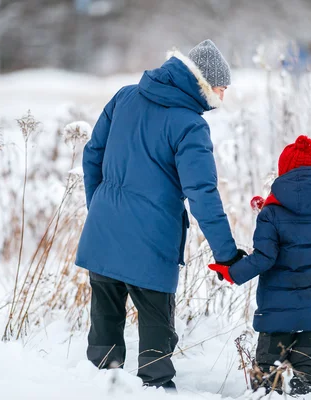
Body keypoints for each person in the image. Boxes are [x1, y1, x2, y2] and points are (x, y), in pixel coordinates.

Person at [76, 39, 246, 390]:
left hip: (103, 233)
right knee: (156, 338)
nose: (223, 97)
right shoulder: (190, 125)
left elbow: (92, 154)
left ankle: (100, 389)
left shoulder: (124, 97)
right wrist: (227, 254)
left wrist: (101, 209)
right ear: (202, 82)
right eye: (221, 88)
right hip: (151, 243)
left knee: (104, 331)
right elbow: (203, 194)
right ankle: (156, 391)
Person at [209, 135, 311, 395]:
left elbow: (266, 257)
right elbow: (300, 237)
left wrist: (232, 272)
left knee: (267, 377)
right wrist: (271, 209)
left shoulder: (271, 215)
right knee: (308, 377)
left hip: (278, 313)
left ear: (284, 171)